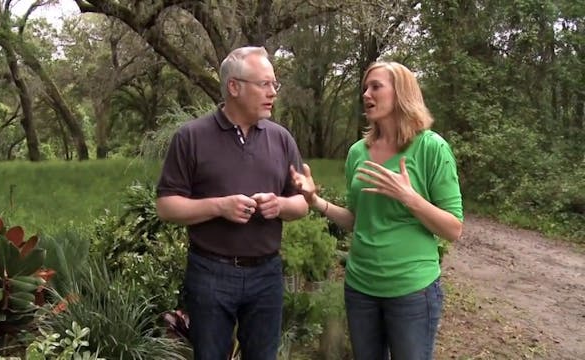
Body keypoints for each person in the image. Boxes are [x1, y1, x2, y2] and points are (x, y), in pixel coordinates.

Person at [290, 61, 463, 360]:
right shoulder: (358, 152)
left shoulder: (431, 148)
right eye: (364, 89)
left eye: (376, 87)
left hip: (412, 291)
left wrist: (409, 197)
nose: (366, 94)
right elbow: (358, 220)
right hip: (360, 288)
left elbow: (453, 228)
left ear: (402, 93)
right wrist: (316, 201)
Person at [156, 46, 308, 360]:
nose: (273, 93)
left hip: (266, 274)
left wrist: (279, 205)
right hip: (210, 272)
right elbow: (166, 207)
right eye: (264, 84)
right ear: (234, 87)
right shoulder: (191, 138)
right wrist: (219, 207)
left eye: (274, 85)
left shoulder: (282, 139)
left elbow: (302, 205)